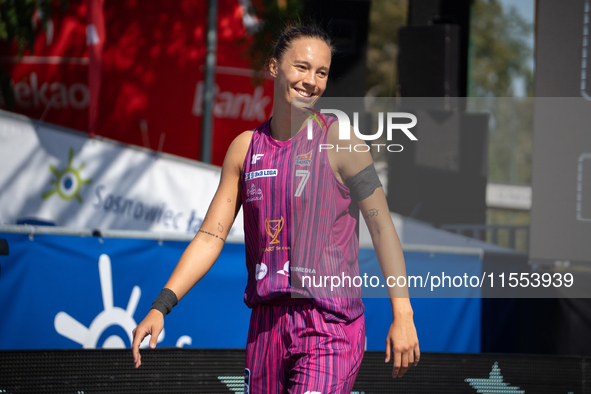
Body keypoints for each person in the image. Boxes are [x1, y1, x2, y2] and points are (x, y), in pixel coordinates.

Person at [132, 25, 420, 393]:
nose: (311, 81)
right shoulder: (244, 149)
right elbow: (209, 236)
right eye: (301, 67)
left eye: (322, 72)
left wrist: (403, 313)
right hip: (266, 328)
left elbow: (381, 230)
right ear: (273, 67)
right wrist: (161, 305)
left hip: (330, 327)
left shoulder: (344, 142)